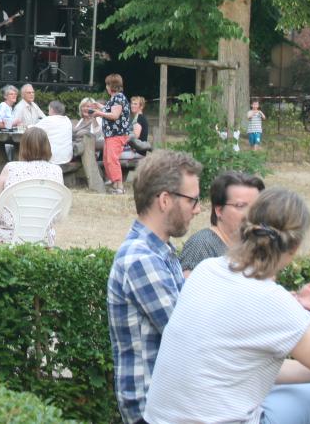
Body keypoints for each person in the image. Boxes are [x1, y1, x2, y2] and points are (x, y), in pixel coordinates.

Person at [144, 188, 310, 424]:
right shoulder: (273, 302)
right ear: (296, 246)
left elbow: (239, 366)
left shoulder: (206, 270)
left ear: (246, 227)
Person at [108, 149, 204, 424]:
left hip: (175, 403)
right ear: (164, 200)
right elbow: (189, 339)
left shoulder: (161, 250)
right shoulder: (142, 259)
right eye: (192, 200)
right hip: (154, 412)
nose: (197, 209)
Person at [0, 127, 64, 245]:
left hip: (9, 233)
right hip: (44, 235)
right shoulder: (57, 171)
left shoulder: (11, 168)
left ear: (23, 146)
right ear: (47, 146)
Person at [178, 171, 265, 274]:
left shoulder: (252, 245)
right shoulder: (202, 245)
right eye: (240, 206)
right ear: (219, 210)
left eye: (256, 207)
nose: (250, 214)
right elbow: (189, 287)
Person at [94, 74, 132, 194]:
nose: (106, 87)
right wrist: (99, 106)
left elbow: (115, 115)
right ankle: (115, 184)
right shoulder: (115, 98)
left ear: (111, 86)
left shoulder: (118, 98)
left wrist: (99, 113)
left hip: (117, 134)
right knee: (107, 159)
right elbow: (111, 109)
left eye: (107, 84)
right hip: (111, 135)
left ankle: (120, 187)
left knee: (112, 160)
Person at [31, 100, 74, 165]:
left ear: (51, 109)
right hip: (67, 158)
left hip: (52, 159)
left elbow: (32, 130)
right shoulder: (67, 120)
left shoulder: (48, 120)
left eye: (49, 109)